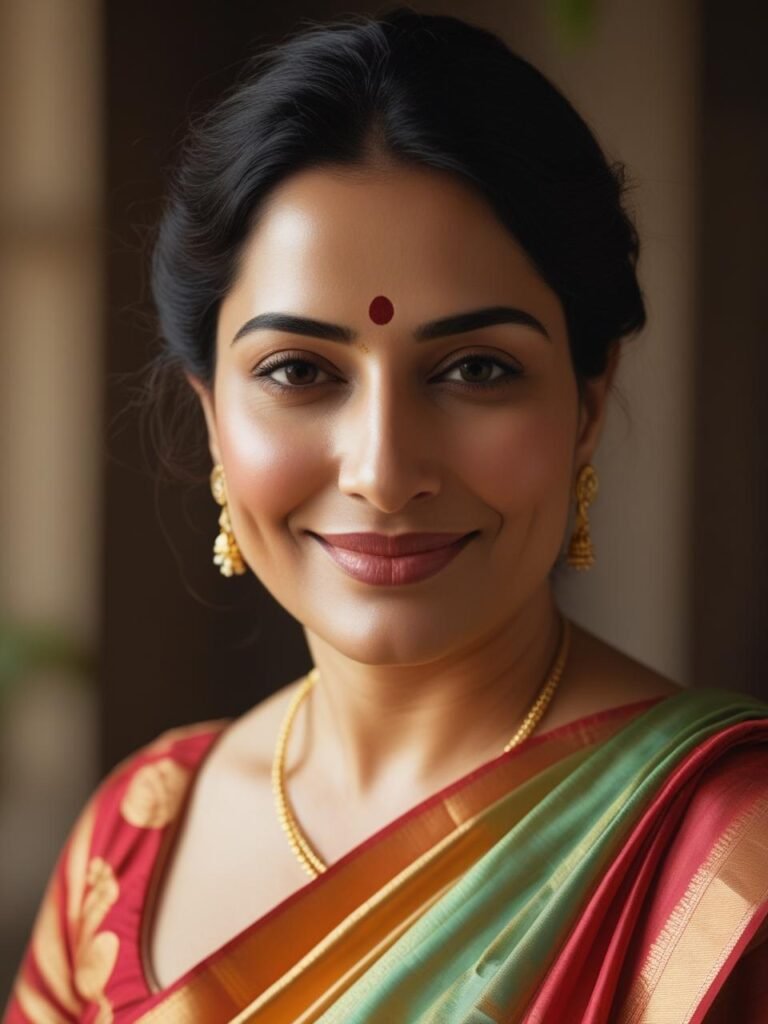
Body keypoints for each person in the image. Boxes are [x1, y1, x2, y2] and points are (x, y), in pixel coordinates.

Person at [5, 7, 768, 1022]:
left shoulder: (721, 861)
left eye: (475, 369)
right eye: (299, 372)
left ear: (587, 401)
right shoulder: (136, 833)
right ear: (212, 413)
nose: (382, 469)